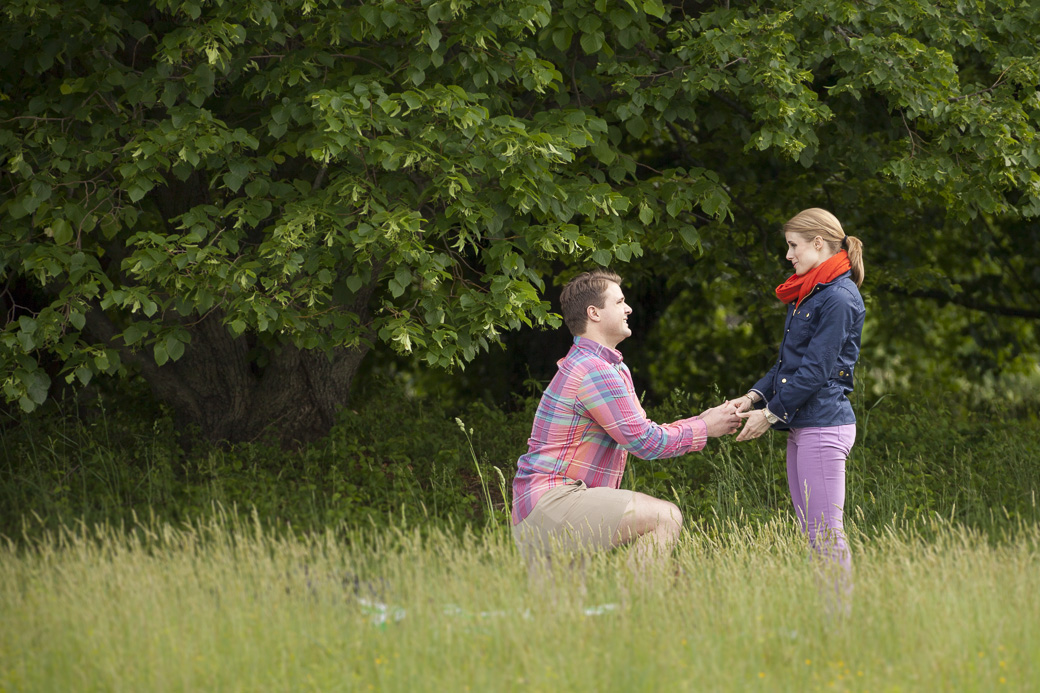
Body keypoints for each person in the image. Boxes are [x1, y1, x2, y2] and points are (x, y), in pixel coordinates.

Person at [511, 269, 742, 568]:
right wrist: (705, 427)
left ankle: (628, 608)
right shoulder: (594, 369)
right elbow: (645, 443)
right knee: (665, 516)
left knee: (563, 614)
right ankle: (634, 607)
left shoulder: (605, 366)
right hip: (554, 504)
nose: (629, 308)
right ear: (594, 313)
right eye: (619, 302)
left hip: (542, 509)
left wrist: (702, 421)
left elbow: (643, 432)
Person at [731, 208, 865, 600]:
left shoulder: (838, 297)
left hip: (824, 426)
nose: (788, 255)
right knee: (813, 532)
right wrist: (754, 396)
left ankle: (837, 627)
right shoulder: (810, 291)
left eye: (793, 246)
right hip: (804, 425)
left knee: (826, 534)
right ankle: (823, 618)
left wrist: (770, 415)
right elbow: (788, 367)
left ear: (818, 243)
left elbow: (816, 371)